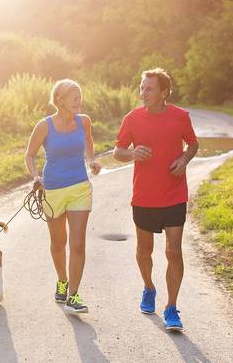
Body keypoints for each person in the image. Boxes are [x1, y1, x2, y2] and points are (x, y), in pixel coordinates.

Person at [113, 68, 199, 332]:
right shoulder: (132, 118)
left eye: (149, 88)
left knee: (173, 250)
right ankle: (149, 287)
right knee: (144, 251)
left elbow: (193, 144)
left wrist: (184, 160)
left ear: (164, 92)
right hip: (144, 196)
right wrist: (132, 153)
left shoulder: (180, 117)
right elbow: (117, 151)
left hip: (174, 193)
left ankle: (171, 307)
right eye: (142, 87)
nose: (143, 93)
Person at [25, 79, 102, 313]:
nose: (79, 101)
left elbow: (88, 140)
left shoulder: (84, 121)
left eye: (80, 96)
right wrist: (36, 177)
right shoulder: (45, 126)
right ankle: (62, 280)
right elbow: (29, 155)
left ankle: (74, 296)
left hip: (79, 187)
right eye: (74, 97)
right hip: (53, 190)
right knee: (59, 243)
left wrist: (91, 160)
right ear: (60, 100)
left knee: (78, 244)